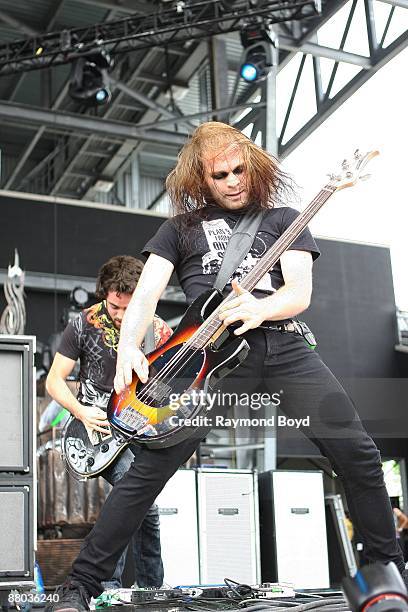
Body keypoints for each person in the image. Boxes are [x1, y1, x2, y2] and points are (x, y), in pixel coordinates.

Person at [47, 122, 407, 611]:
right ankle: (80, 587)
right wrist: (130, 345)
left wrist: (262, 308)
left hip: (282, 348)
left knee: (359, 455)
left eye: (240, 169)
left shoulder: (284, 218)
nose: (234, 181)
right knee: (148, 472)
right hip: (209, 357)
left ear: (253, 166)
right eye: (221, 174)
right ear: (202, 178)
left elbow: (298, 293)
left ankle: (385, 579)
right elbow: (147, 292)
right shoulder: (179, 229)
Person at [46, 255, 171, 591]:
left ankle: (148, 592)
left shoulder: (158, 331)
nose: (119, 316)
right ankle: (113, 587)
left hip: (139, 432)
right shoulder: (83, 324)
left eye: (127, 309)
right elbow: (54, 381)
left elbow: (170, 391)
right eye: (114, 307)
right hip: (95, 430)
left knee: (144, 508)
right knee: (135, 499)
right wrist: (80, 411)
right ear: (104, 295)